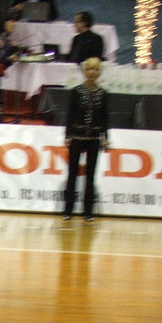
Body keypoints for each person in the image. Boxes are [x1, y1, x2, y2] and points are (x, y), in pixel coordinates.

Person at [63, 57, 109, 222]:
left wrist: (105, 137)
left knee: (91, 174)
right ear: (84, 71)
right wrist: (68, 135)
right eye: (89, 69)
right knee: (72, 173)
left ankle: (88, 211)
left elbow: (105, 118)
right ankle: (68, 209)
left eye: (96, 69)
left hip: (94, 137)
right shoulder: (76, 91)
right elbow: (70, 115)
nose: (92, 72)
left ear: (100, 72)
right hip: (77, 135)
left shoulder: (103, 94)